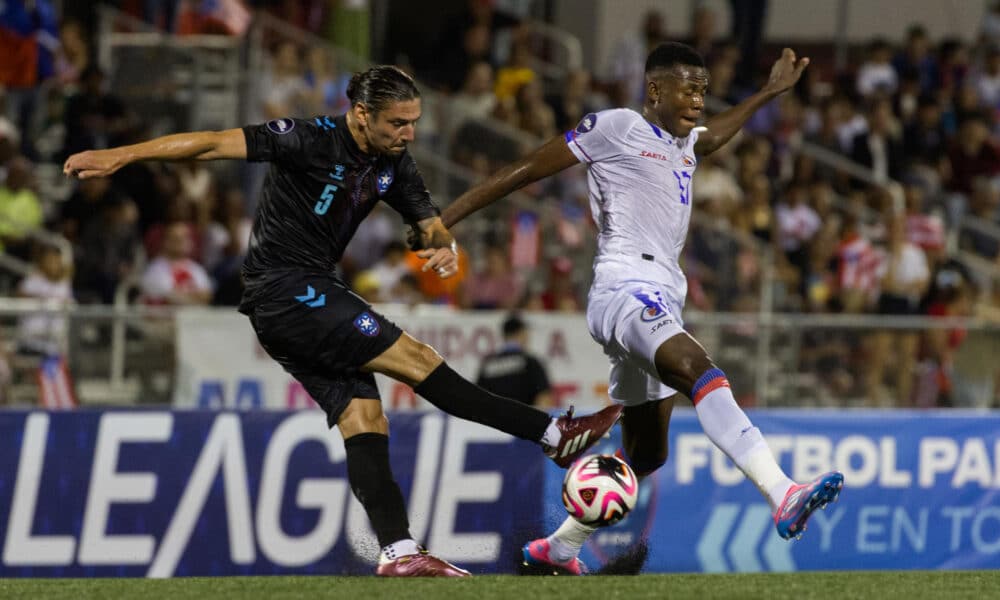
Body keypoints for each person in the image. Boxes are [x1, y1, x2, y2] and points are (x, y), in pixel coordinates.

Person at [62, 65, 622, 578]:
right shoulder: (305, 138)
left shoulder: (394, 165)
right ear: (360, 115)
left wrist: (441, 245)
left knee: (365, 418)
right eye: (397, 122)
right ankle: (552, 434)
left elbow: (427, 222)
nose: (408, 133)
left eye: (414, 122)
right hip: (285, 288)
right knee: (418, 361)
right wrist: (122, 155)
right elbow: (211, 143)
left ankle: (399, 552)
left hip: (303, 298)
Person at [439, 43, 845, 575]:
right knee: (701, 371)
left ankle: (558, 548)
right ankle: (782, 491)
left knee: (648, 454)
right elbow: (526, 169)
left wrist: (770, 92)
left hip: (660, 296)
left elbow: (716, 134)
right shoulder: (617, 127)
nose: (699, 99)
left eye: (703, 89)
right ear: (655, 90)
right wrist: (442, 219)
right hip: (624, 288)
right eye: (689, 88)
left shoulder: (684, 143)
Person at [477, 313, 553, 407]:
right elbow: (544, 399)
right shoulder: (530, 362)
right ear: (521, 333)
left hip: (492, 420)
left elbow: (477, 398)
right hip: (524, 419)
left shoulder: (488, 364)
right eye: (526, 332)